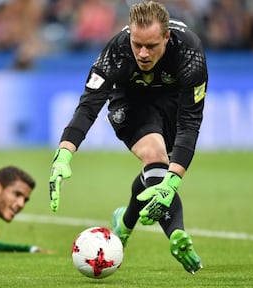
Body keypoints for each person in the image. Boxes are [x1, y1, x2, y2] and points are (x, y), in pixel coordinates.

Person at [49, 0, 207, 274]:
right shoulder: (116, 51)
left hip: (170, 100)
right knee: (155, 158)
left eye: (151, 46)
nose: (143, 53)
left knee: (159, 173)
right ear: (130, 36)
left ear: (166, 37)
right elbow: (88, 105)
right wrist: (63, 155)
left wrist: (173, 181)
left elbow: (190, 123)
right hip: (130, 101)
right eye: (137, 44)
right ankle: (177, 235)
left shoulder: (189, 54)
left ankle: (125, 220)